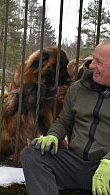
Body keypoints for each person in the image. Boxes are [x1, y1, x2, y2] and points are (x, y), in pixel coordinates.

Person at [20, 39, 110, 195]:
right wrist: (53, 136)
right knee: (32, 154)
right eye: (93, 58)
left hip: (105, 167)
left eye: (99, 62)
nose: (92, 65)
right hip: (74, 163)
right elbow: (63, 121)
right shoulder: (77, 89)